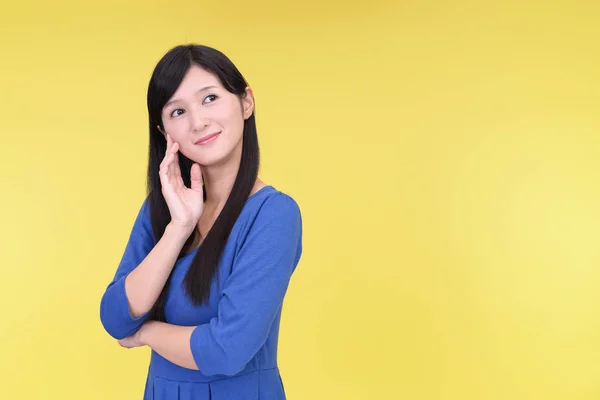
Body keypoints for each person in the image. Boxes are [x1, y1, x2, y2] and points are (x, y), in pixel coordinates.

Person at [99, 44, 303, 399]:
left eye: (209, 98)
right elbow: (115, 317)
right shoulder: (162, 209)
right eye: (177, 111)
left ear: (245, 102)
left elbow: (227, 349)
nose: (198, 122)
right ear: (165, 133)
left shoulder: (273, 214)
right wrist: (178, 229)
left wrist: (146, 333)